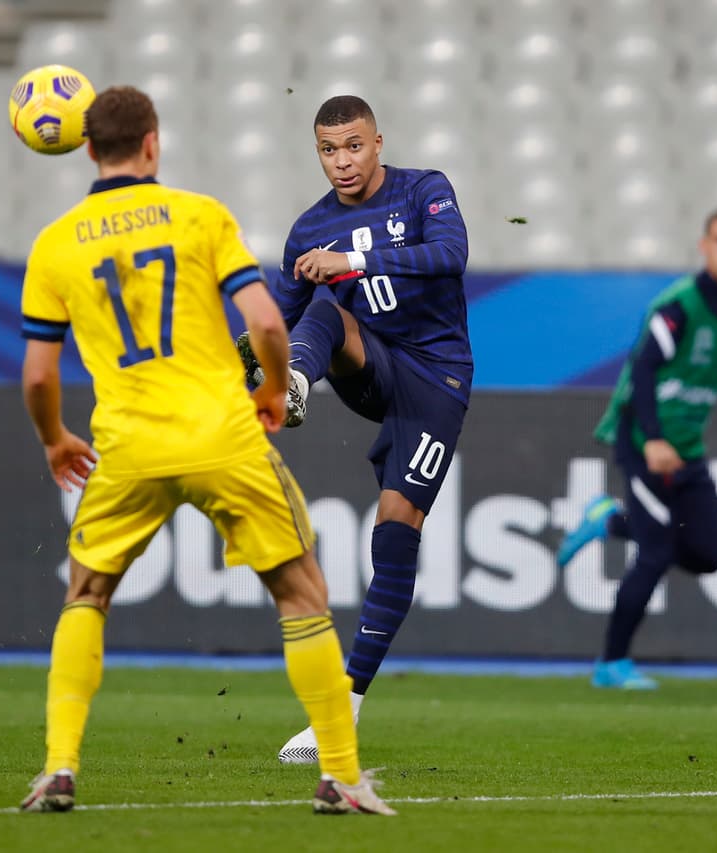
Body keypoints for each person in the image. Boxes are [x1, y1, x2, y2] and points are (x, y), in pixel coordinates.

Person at [16, 85, 393, 816]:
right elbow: (269, 325)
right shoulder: (199, 215)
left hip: (128, 445)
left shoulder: (55, 243)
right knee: (301, 593)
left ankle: (58, 768)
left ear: (88, 150)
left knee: (86, 595)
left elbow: (37, 374)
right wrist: (274, 390)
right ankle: (342, 778)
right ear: (152, 143)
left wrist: (56, 439)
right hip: (222, 435)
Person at [237, 95, 472, 763]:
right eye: (328, 149)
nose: (342, 161)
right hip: (367, 367)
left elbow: (451, 254)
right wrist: (232, 361)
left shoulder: (423, 190)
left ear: (377, 142)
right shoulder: (309, 229)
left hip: (437, 378)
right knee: (323, 314)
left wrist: (353, 264)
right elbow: (277, 321)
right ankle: (296, 383)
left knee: (396, 528)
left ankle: (345, 707)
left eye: (353, 146)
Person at [556, 208, 717, 690]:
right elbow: (643, 369)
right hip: (643, 438)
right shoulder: (680, 305)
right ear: (703, 246)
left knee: (708, 553)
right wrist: (655, 438)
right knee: (657, 549)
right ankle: (611, 665)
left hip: (686, 447)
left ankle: (609, 521)